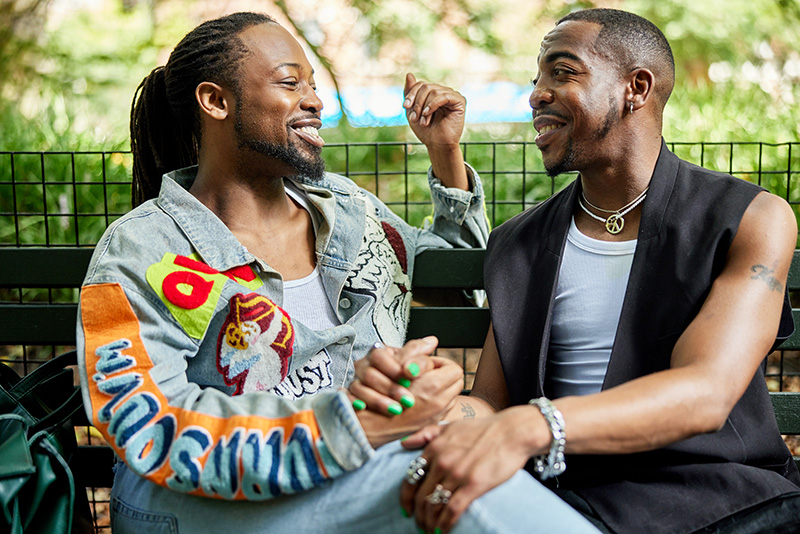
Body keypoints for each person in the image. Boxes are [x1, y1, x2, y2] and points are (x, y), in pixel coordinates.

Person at [75, 11, 600, 534]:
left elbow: (453, 284)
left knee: (460, 475)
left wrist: (445, 154)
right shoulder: (143, 249)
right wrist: (347, 425)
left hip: (356, 476)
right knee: (464, 488)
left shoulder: (350, 211)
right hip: (196, 502)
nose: (314, 101)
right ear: (215, 101)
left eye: (313, 84)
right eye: (290, 83)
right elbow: (146, 420)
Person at [380, 8, 800, 534]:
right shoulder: (519, 243)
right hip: (566, 496)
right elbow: (489, 403)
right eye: (537, 79)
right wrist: (430, 413)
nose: (536, 94)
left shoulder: (748, 218)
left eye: (562, 72)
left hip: (718, 498)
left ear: (636, 88)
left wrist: (532, 426)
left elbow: (705, 392)